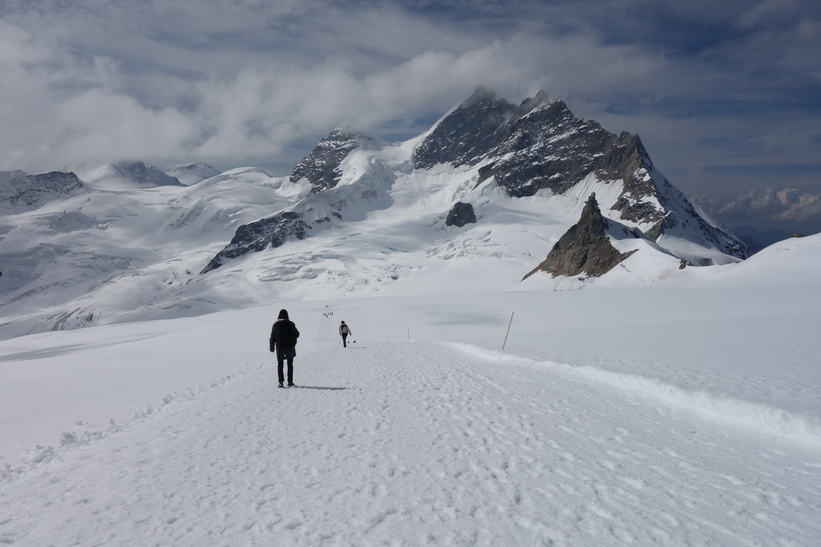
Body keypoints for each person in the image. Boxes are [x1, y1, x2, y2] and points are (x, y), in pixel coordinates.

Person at [270, 309, 300, 387]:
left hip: (280, 348)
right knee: (290, 365)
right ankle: (290, 382)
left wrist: (272, 347)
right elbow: (297, 334)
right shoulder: (290, 324)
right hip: (290, 347)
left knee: (280, 365)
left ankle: (281, 382)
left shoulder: (275, 325)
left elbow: (272, 337)